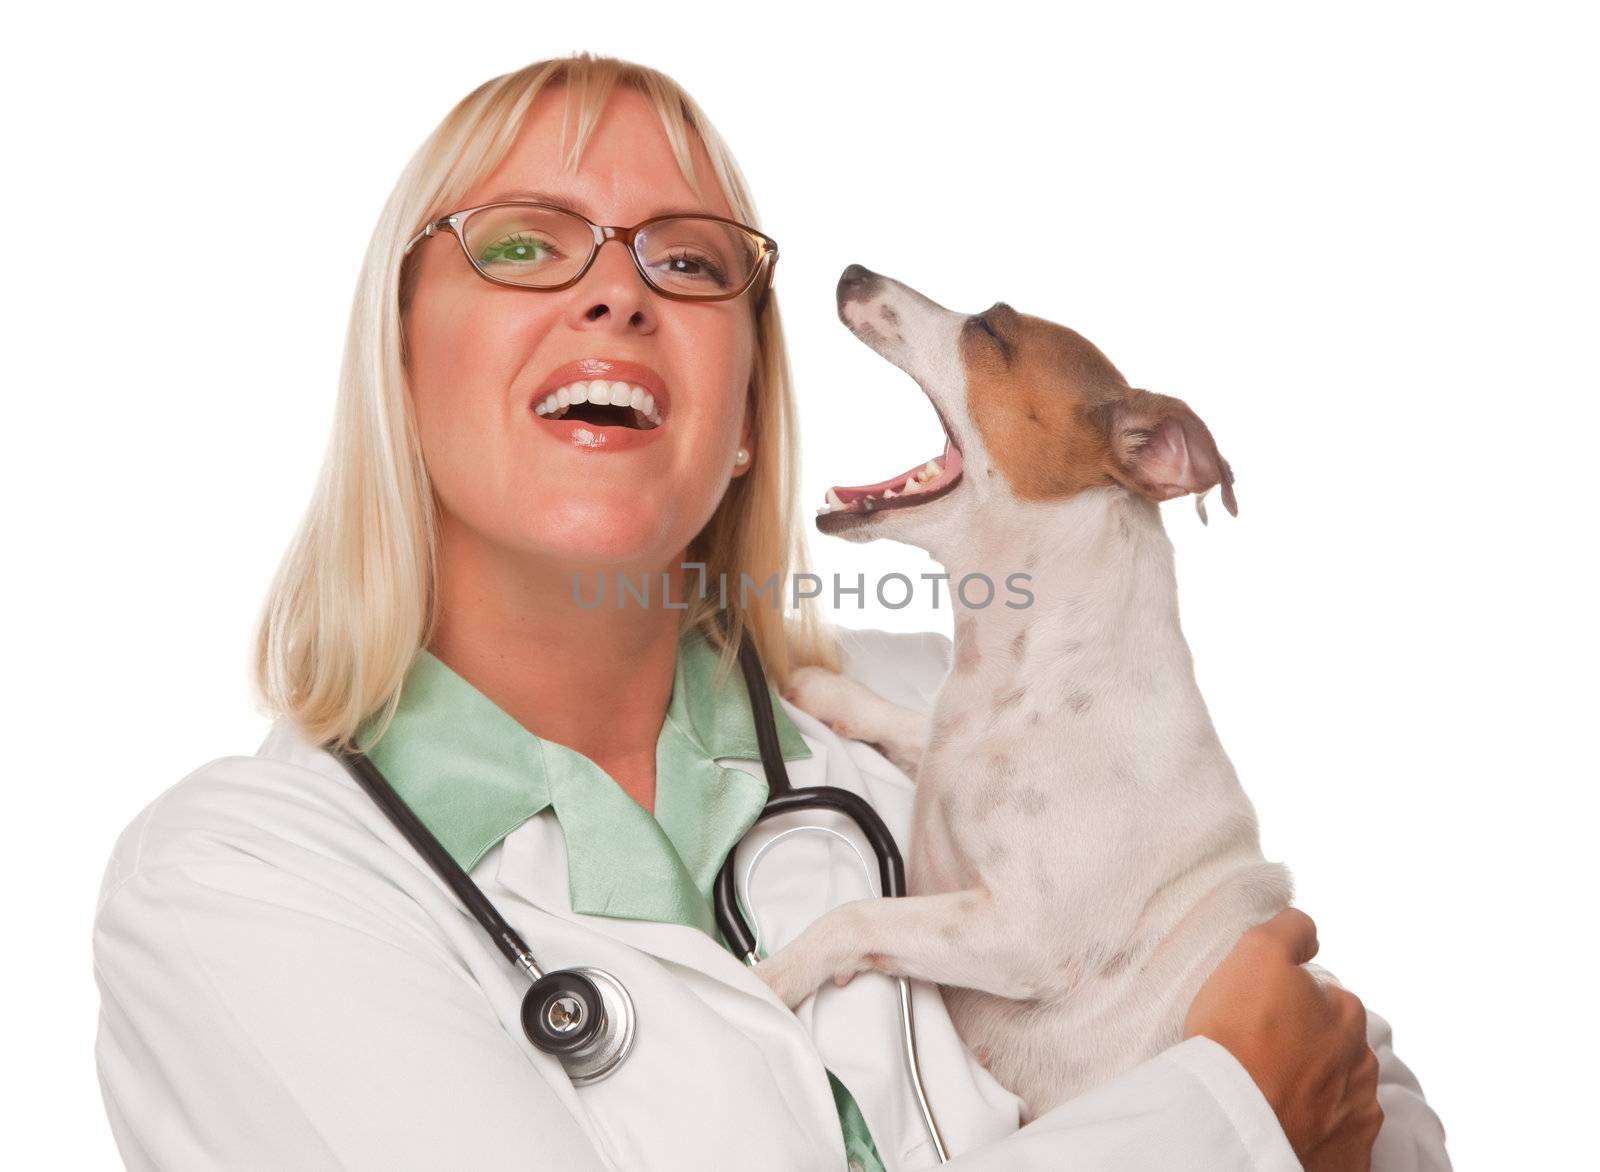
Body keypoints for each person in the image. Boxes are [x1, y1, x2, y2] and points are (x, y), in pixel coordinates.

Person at [90, 52, 1450, 1171]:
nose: (616, 291)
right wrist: (1221, 1129)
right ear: (399, 365)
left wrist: (1270, 1097)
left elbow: (1360, 1097)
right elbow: (1275, 1098)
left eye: (686, 264)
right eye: (522, 246)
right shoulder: (236, 890)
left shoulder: (928, 706)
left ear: (743, 409)